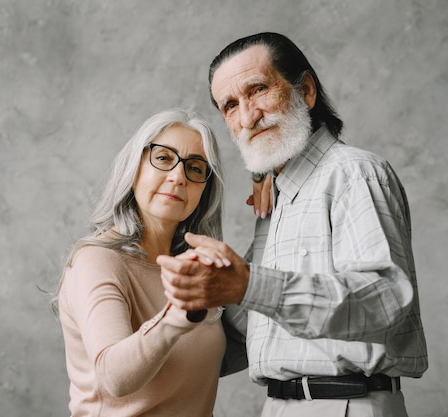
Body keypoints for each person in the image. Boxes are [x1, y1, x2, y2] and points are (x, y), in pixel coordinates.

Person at [157, 32, 428, 417]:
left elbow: (384, 300)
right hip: (280, 406)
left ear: (306, 90)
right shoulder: (276, 198)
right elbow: (245, 328)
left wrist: (248, 284)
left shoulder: (354, 173)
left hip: (347, 405)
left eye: (259, 90)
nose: (248, 117)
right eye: (230, 106)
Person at [57, 108, 230, 416]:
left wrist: (272, 194)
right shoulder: (99, 260)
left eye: (195, 168)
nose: (178, 177)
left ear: (205, 190)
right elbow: (114, 376)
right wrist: (177, 315)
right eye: (163, 158)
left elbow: (239, 342)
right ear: (134, 167)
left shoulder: (192, 268)